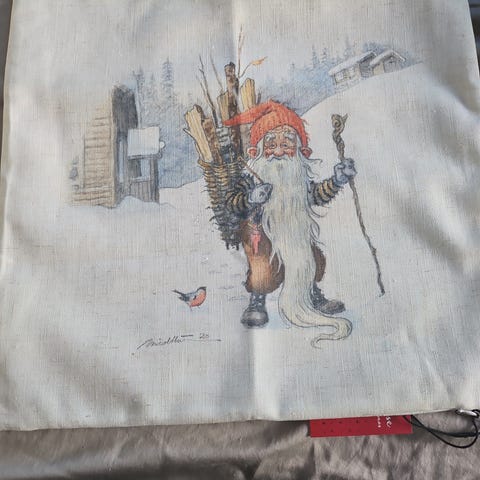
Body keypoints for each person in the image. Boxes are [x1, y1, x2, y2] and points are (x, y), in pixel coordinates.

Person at [224, 100, 356, 338]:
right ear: (259, 149)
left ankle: (311, 294)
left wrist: (337, 181)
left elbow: (316, 194)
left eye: (286, 144)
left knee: (310, 258)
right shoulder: (250, 178)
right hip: (261, 234)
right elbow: (232, 202)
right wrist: (251, 198)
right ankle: (257, 301)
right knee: (262, 267)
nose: (278, 151)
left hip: (294, 233)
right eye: (271, 144)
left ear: (298, 149)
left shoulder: (298, 179)